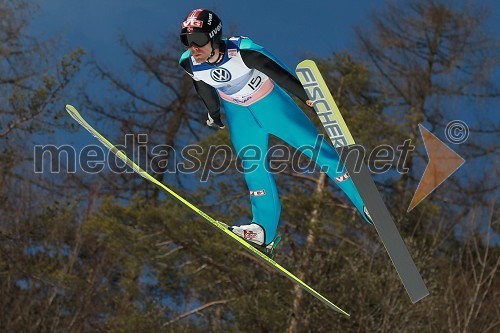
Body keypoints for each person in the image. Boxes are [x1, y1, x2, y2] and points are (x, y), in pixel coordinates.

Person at [178, 9, 372, 254]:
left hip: (272, 105)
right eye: (187, 41)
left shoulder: (244, 51)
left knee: (315, 148)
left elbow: (279, 72)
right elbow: (203, 87)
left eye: (198, 40)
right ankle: (263, 230)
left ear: (215, 37)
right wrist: (214, 115)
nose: (193, 48)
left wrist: (309, 99)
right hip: (239, 115)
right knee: (253, 167)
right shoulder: (189, 62)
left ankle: (365, 201)